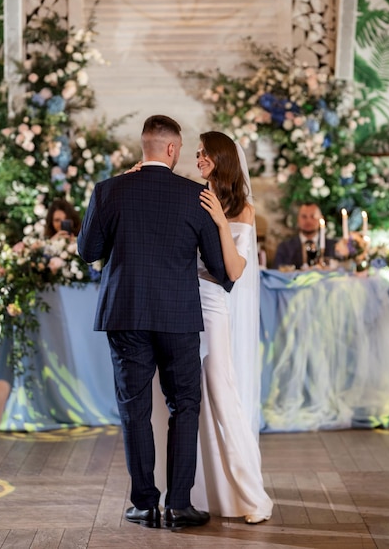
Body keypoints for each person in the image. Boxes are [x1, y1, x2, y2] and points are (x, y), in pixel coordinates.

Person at [77, 115, 232, 531]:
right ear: (170, 148)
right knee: (185, 407)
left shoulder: (108, 190)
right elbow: (221, 270)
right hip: (178, 316)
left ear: (143, 146)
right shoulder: (195, 197)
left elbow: (88, 250)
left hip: (125, 313)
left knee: (134, 410)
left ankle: (144, 504)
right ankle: (179, 505)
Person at [191, 131, 273, 524]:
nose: (198, 156)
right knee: (188, 400)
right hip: (182, 304)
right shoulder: (193, 196)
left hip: (213, 306)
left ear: (221, 158)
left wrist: (222, 224)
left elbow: (235, 270)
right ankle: (203, 490)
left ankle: (249, 495)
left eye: (204, 152)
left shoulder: (242, 209)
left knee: (221, 389)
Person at [273, 202, 336, 270]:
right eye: (304, 217)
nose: (308, 221)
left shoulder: (333, 246)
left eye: (313, 216)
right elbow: (277, 272)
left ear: (321, 219)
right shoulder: (285, 248)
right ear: (298, 219)